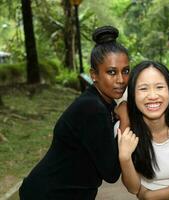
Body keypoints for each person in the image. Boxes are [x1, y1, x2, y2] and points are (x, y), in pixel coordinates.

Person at [19, 25, 130, 200]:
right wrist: (125, 118)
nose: (121, 80)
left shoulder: (101, 102)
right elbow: (111, 172)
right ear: (94, 75)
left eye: (125, 71)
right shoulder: (92, 108)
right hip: (51, 194)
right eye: (111, 72)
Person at [117, 60, 169, 200]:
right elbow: (133, 188)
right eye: (143, 88)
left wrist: (150, 196)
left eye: (159, 87)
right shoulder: (127, 131)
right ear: (133, 95)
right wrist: (124, 158)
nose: (152, 96)